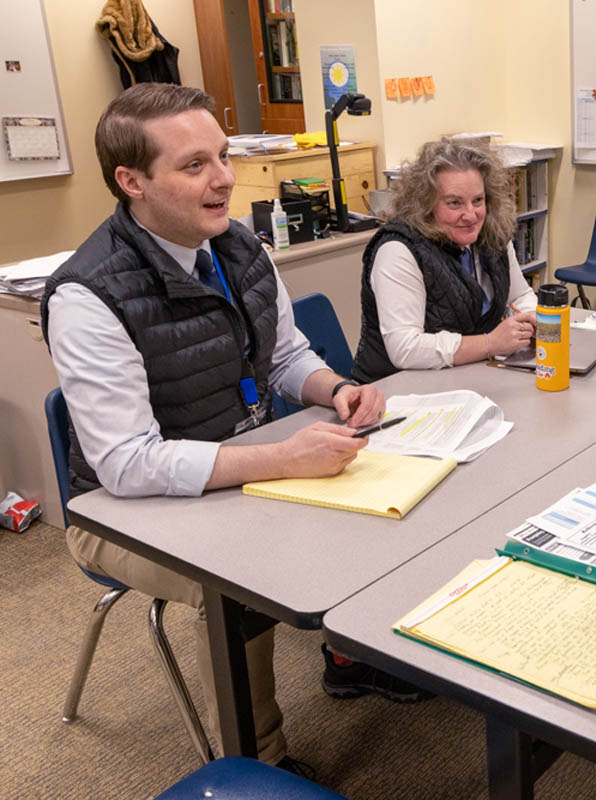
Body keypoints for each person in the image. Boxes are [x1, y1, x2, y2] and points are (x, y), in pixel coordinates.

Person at [41, 83, 424, 771]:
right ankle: (259, 766)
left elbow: (284, 356)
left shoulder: (238, 245)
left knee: (381, 500)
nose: (223, 178)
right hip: (119, 515)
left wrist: (336, 388)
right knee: (240, 585)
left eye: (221, 156)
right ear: (132, 181)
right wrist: (281, 459)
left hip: (236, 463)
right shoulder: (88, 295)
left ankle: (346, 655)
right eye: (194, 165)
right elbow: (126, 463)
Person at [351, 138, 537, 382]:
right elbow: (405, 348)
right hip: (393, 389)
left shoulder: (492, 234)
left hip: (464, 379)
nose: (470, 215)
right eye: (454, 203)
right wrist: (490, 343)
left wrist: (534, 318)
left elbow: (519, 295)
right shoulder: (398, 250)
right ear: (426, 204)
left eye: (478, 200)